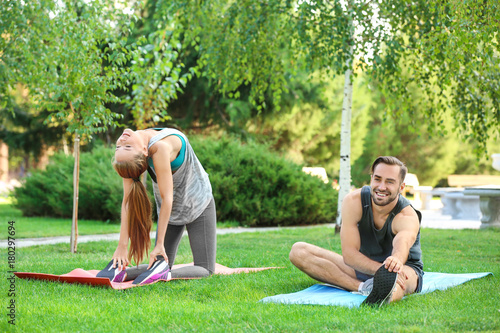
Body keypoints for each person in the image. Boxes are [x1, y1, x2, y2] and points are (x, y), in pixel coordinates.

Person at [289, 156, 423, 306]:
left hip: (401, 270)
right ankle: (362, 288)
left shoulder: (407, 216)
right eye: (377, 179)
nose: (381, 187)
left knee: (397, 284)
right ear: (371, 179)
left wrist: (395, 262)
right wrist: (379, 271)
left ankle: (383, 295)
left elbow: (402, 244)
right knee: (298, 250)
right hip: (363, 267)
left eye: (390, 182)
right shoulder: (354, 201)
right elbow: (350, 255)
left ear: (401, 187)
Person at [97, 128, 216, 285]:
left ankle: (160, 273)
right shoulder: (137, 155)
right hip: (171, 208)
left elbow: (168, 197)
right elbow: (128, 201)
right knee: (205, 268)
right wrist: (122, 246)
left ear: (145, 150)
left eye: (125, 147)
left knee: (165, 262)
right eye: (120, 148)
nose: (121, 142)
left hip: (197, 203)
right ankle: (121, 271)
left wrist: (160, 244)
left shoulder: (158, 146)